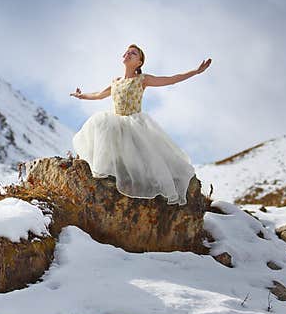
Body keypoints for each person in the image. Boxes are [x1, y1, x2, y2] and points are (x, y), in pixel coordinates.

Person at [70, 44, 211, 206]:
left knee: (144, 158)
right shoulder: (116, 82)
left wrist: (195, 71)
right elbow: (99, 95)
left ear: (139, 62)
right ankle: (107, 172)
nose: (128, 54)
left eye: (133, 53)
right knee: (100, 122)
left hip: (134, 123)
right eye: (127, 52)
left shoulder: (142, 79)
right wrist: (82, 96)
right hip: (115, 123)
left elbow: (171, 79)